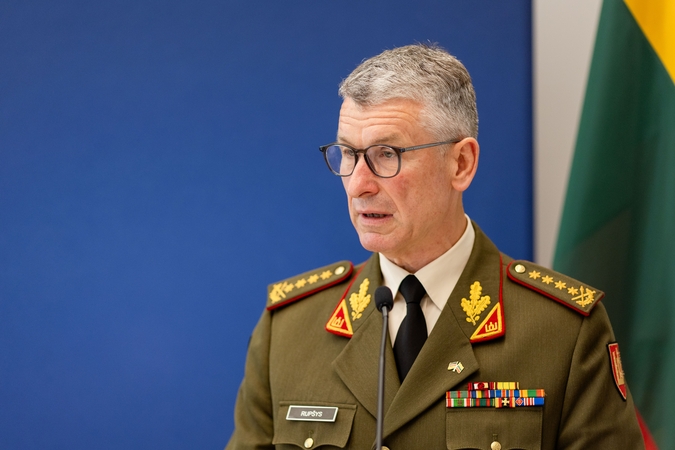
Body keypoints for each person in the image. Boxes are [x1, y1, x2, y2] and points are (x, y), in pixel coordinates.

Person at [226, 44, 645, 449]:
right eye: (348, 154)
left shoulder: (564, 332)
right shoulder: (289, 329)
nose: (357, 185)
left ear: (461, 163)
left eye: (386, 154)